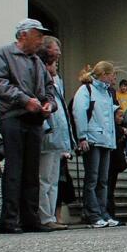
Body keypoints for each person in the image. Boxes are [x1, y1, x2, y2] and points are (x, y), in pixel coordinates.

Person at [0, 18, 56, 233]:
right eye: (38, 35)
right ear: (23, 35)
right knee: (14, 170)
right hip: (13, 117)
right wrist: (24, 99)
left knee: (31, 172)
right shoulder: (3, 54)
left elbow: (49, 88)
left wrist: (49, 104)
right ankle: (10, 220)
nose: (41, 40)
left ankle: (30, 218)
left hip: (35, 120)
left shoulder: (37, 61)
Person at [73, 61, 119, 228]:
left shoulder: (107, 93)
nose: (114, 77)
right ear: (105, 74)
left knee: (103, 179)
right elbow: (79, 113)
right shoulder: (86, 90)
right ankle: (93, 213)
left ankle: (103, 212)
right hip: (93, 139)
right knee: (92, 178)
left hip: (106, 140)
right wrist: (82, 137)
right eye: (112, 74)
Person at [36, 36, 74, 231]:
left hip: (57, 136)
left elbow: (62, 112)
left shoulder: (56, 81)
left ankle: (50, 215)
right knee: (44, 178)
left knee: (52, 179)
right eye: (55, 53)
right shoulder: (40, 75)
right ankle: (44, 217)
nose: (58, 60)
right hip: (46, 133)